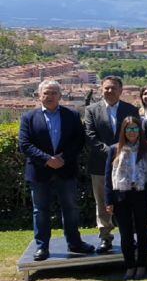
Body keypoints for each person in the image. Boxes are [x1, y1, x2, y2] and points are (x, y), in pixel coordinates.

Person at [20, 80, 94, 260]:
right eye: (46, 92)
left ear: (60, 96)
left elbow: (79, 141)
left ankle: (75, 243)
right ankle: (42, 247)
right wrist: (48, 160)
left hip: (66, 169)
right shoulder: (28, 118)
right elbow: (25, 144)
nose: (50, 96)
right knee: (41, 211)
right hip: (39, 172)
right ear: (39, 96)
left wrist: (63, 159)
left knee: (71, 209)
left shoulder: (72, 116)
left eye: (54, 92)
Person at [83, 75, 139, 253]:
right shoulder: (91, 110)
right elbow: (90, 135)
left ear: (121, 91)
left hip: (128, 165)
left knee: (128, 202)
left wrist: (122, 154)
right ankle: (105, 237)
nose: (109, 91)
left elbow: (136, 133)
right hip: (100, 165)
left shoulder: (131, 109)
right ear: (101, 89)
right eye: (106, 88)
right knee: (102, 202)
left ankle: (130, 236)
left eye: (113, 88)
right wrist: (112, 153)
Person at [103, 117, 147, 279]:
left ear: (139, 131)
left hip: (141, 195)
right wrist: (108, 201)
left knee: (143, 232)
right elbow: (108, 177)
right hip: (121, 196)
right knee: (126, 233)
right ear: (123, 131)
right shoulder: (114, 149)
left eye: (135, 128)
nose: (132, 132)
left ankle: (142, 265)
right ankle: (129, 266)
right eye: (128, 129)